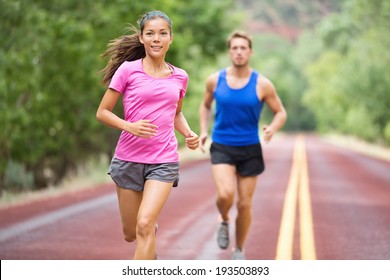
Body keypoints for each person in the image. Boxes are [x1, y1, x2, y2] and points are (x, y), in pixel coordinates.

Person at [96, 10, 199, 260]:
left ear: (170, 39)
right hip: (128, 159)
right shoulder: (128, 70)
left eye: (162, 33)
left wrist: (188, 133)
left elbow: (175, 113)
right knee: (132, 232)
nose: (156, 38)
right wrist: (129, 126)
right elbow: (103, 112)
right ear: (142, 38)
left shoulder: (180, 76)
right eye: (150, 33)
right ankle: (150, 254)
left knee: (144, 224)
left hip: (163, 160)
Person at [199, 31, 287, 260]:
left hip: (249, 149)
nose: (238, 52)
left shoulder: (263, 84)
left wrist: (272, 128)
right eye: (234, 48)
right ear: (229, 51)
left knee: (245, 204)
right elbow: (205, 105)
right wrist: (203, 130)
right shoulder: (214, 80)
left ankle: (238, 250)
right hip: (222, 145)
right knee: (226, 195)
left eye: (243, 48)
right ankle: (224, 219)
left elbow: (280, 112)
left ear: (250, 52)